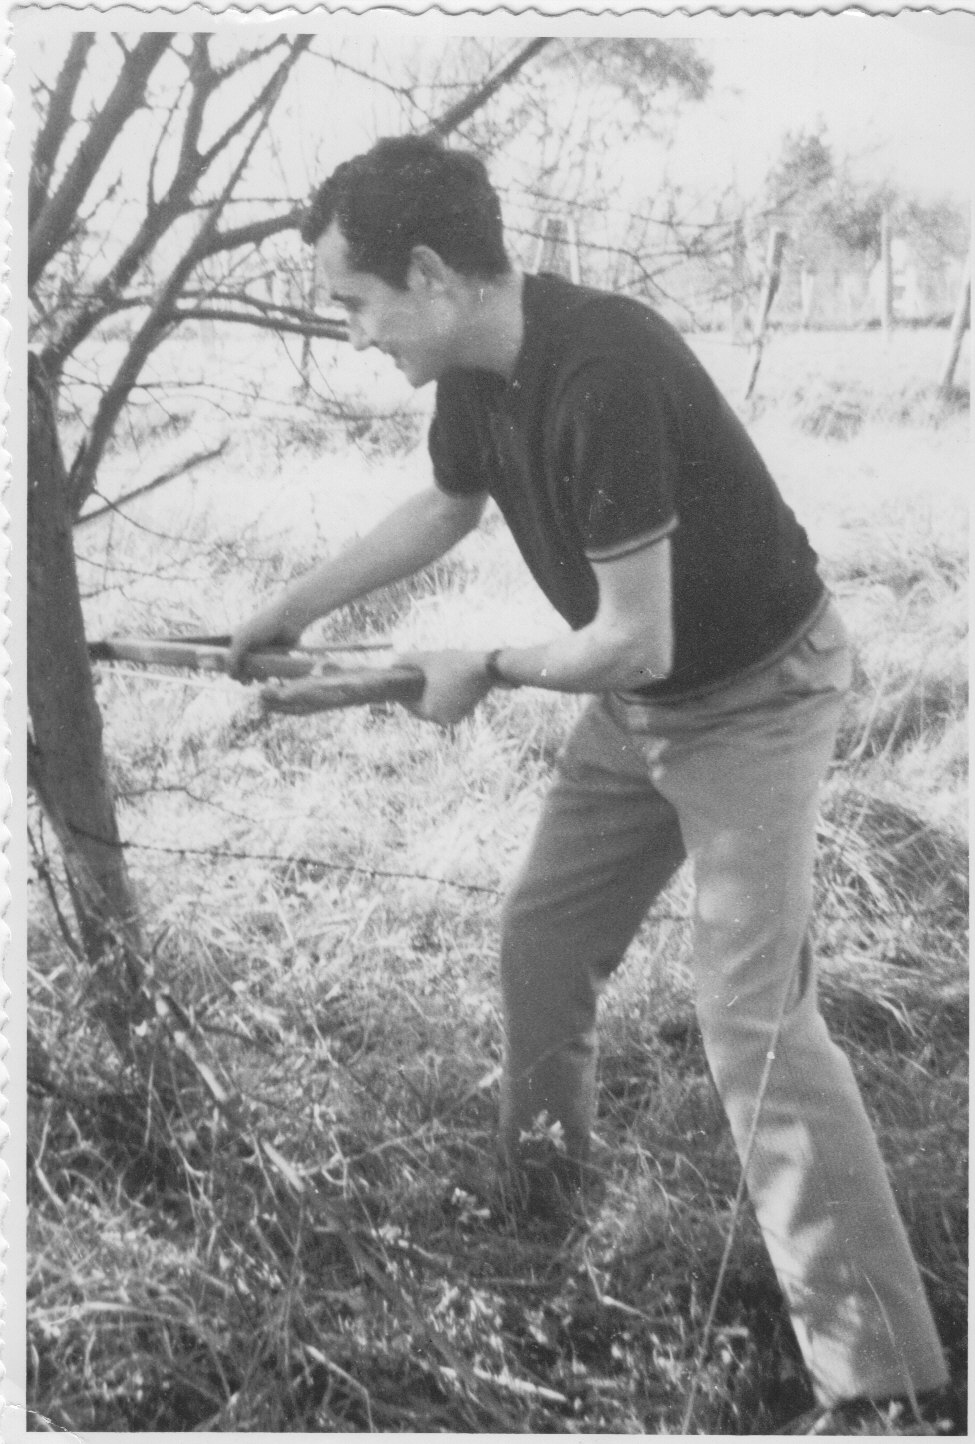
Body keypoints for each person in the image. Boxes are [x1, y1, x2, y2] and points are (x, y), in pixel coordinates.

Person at [228, 136, 952, 1427]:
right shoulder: (478, 369)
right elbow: (447, 508)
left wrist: (483, 663)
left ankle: (884, 1381)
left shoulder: (602, 367)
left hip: (756, 694)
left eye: (355, 301)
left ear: (435, 275)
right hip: (642, 705)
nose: (351, 334)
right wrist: (291, 606)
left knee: (751, 1021)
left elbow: (638, 638)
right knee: (542, 937)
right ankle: (544, 1204)